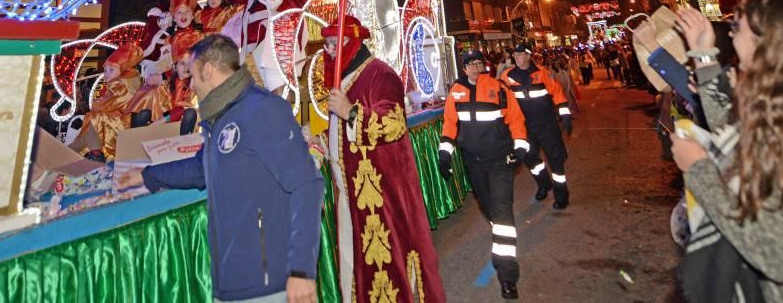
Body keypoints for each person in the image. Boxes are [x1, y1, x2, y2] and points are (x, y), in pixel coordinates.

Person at [117, 35, 324, 303]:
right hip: (232, 280)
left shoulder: (262, 110)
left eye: (192, 76)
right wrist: (147, 175)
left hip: (270, 282)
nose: (190, 85)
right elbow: (199, 169)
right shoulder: (220, 117)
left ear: (208, 71)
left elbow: (307, 185)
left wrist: (302, 270)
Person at [663, 0, 783, 302]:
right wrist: (703, 53)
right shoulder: (771, 94)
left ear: (763, 39)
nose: (731, 36)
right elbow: (739, 134)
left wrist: (699, 169)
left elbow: (777, 255)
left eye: (736, 28)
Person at [325, 15, 445, 302]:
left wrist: (351, 113)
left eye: (334, 43)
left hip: (378, 193)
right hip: (349, 190)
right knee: (353, 263)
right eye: (326, 45)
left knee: (384, 264)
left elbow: (393, 122)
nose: (329, 51)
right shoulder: (345, 78)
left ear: (351, 42)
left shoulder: (380, 74)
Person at [440, 50, 529, 300]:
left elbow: (516, 120)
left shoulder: (498, 88)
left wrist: (519, 149)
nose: (475, 67)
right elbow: (449, 124)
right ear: (464, 67)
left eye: (479, 63)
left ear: (484, 66)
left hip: (500, 160)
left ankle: (508, 275)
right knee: (489, 208)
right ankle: (500, 231)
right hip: (473, 163)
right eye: (470, 64)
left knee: (502, 214)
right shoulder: (455, 92)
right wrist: (444, 154)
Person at [499, 43, 573, 209]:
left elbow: (557, 93)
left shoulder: (542, 73)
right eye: (515, 55)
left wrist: (565, 115)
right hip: (524, 127)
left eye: (520, 55)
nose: (517, 58)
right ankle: (544, 183)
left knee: (556, 159)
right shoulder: (507, 76)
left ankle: (561, 195)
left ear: (528, 56)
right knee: (530, 158)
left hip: (547, 124)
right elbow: (503, 100)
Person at [75, 42, 144, 160]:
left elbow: (108, 104)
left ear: (122, 70)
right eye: (105, 70)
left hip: (123, 122)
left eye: (111, 70)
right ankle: (92, 150)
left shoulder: (123, 85)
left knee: (95, 117)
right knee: (95, 116)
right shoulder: (117, 83)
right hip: (117, 118)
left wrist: (96, 106)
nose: (106, 74)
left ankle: (93, 151)